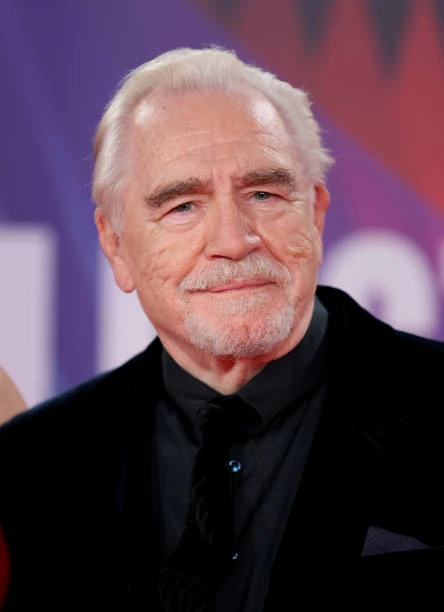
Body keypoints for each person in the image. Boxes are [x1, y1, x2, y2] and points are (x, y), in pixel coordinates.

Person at [1, 45, 444, 611]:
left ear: (315, 213)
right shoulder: (32, 465)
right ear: (116, 245)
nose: (233, 240)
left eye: (264, 193)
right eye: (183, 206)